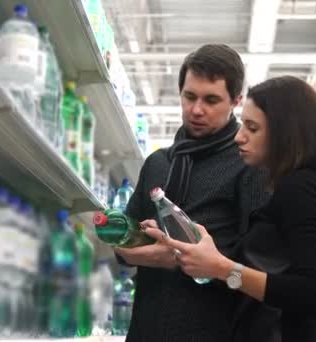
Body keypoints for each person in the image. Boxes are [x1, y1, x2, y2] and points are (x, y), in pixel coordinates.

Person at [146, 75, 316, 342]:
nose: (239, 137)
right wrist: (201, 251)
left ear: (285, 134)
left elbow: (313, 293)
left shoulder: (301, 189)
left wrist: (221, 268)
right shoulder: (305, 185)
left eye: (252, 128)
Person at [114, 44, 270, 341]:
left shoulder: (249, 165)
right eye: (189, 97)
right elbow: (123, 244)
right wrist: (149, 256)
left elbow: (259, 275)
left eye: (211, 100)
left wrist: (210, 265)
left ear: (236, 101)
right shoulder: (159, 163)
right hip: (147, 329)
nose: (197, 110)